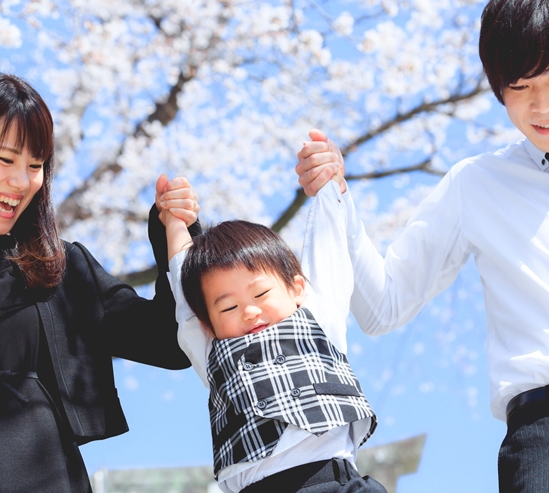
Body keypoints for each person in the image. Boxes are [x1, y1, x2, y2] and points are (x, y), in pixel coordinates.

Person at [295, 0, 549, 491]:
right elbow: (383, 307)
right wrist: (339, 200)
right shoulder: (473, 185)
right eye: (519, 88)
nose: (542, 106)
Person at [0, 70, 201, 492]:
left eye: (36, 165)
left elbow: (171, 342)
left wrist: (173, 237)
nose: (21, 182)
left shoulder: (61, 270)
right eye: (5, 159)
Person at [160, 171, 385, 493]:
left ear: (297, 288)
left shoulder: (317, 318)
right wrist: (175, 223)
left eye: (261, 294)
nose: (249, 311)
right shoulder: (212, 350)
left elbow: (328, 251)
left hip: (335, 483)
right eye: (228, 308)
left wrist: (327, 188)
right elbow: (186, 296)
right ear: (207, 323)